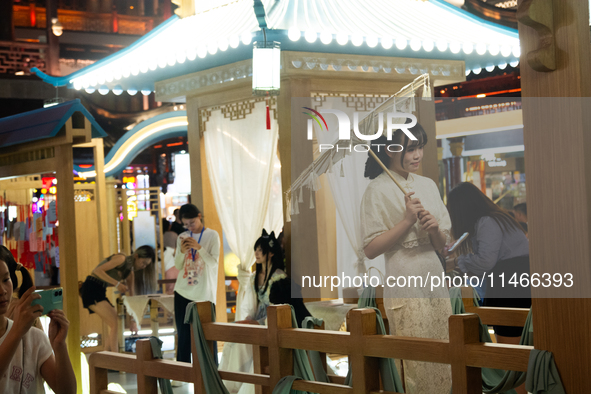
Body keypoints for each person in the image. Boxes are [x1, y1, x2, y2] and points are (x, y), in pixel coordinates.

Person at [360, 125, 452, 394]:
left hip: (435, 278)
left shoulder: (428, 185)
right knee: (415, 360)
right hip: (405, 281)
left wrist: (434, 228)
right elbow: (370, 249)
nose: (418, 154)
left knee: (444, 351)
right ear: (390, 150)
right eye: (410, 148)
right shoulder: (375, 191)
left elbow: (442, 246)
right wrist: (406, 221)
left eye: (420, 147)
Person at [445, 182, 531, 343]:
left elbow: (485, 261)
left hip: (511, 286)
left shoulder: (487, 221)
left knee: (509, 342)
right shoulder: (498, 218)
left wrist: (458, 260)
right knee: (519, 339)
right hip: (518, 281)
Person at [0, 250, 76, 394]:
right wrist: (17, 331)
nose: (2, 290)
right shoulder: (20, 333)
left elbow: (67, 392)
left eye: (5, 280)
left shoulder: (34, 337)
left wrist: (59, 346)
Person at [78, 245, 155, 352]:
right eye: (143, 263)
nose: (143, 266)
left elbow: (131, 298)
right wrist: (117, 283)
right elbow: (97, 271)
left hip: (100, 290)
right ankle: (114, 357)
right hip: (91, 287)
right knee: (115, 324)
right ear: (136, 256)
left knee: (117, 323)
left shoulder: (130, 274)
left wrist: (133, 321)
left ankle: (108, 357)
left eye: (146, 265)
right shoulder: (121, 258)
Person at [173, 204, 220, 368]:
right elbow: (178, 266)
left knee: (207, 333)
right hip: (182, 291)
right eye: (185, 224)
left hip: (205, 293)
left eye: (191, 222)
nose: (189, 227)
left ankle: (211, 370)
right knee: (183, 335)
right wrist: (181, 252)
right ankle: (182, 373)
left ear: (199, 216)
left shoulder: (212, 236)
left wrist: (199, 248)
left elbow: (213, 263)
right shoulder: (182, 237)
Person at [162, 218, 179, 295]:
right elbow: (177, 248)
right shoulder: (174, 235)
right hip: (172, 260)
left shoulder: (160, 235)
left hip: (164, 259)